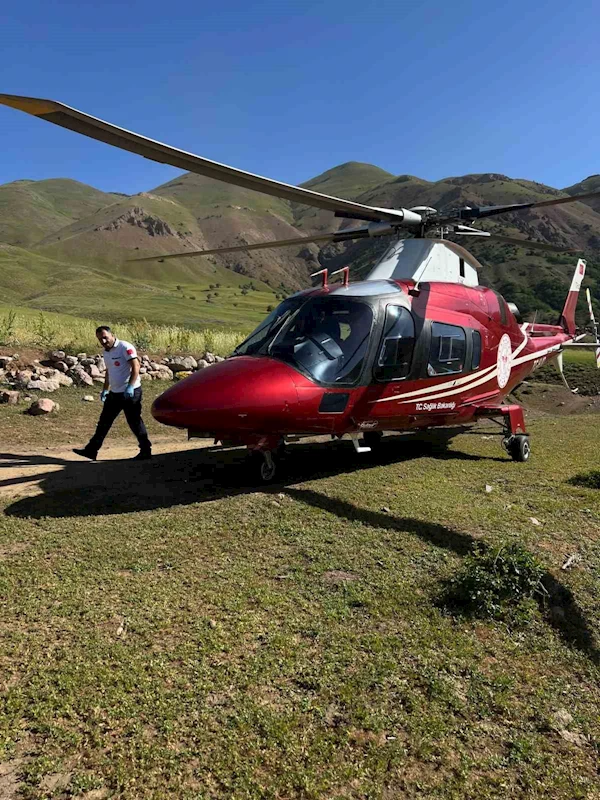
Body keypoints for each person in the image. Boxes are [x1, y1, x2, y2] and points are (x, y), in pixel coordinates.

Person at [73, 326, 152, 461]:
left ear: (111, 335)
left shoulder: (124, 347)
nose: (103, 341)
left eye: (105, 337)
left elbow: (136, 366)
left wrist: (131, 386)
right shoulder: (106, 352)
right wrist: (105, 389)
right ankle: (91, 450)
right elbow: (109, 371)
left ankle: (146, 450)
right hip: (115, 393)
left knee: (134, 421)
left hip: (130, 392)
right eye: (100, 339)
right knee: (104, 421)